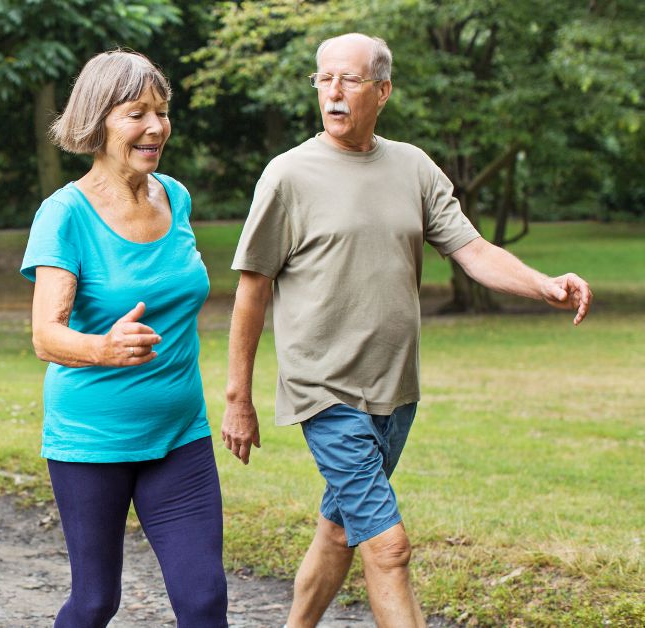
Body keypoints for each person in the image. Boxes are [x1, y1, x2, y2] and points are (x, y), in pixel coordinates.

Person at [222, 33, 593, 628]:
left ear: (383, 91)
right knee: (388, 548)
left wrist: (543, 283)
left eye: (350, 80)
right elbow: (252, 289)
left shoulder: (412, 166)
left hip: (396, 391)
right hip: (326, 392)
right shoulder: (288, 175)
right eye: (324, 79)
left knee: (339, 529)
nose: (334, 92)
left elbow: (472, 249)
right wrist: (239, 397)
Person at [21, 51, 228, 627]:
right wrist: (103, 349)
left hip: (181, 432)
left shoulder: (175, 197)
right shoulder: (63, 215)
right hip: (93, 439)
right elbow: (44, 335)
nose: (156, 127)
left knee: (205, 598)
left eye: (161, 112)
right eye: (137, 113)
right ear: (98, 121)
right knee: (94, 601)